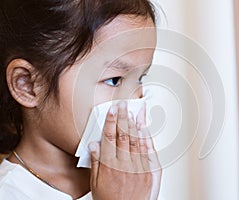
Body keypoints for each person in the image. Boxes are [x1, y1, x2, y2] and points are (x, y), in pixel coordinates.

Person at [0, 0, 162, 199]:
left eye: (139, 78)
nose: (135, 98)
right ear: (28, 85)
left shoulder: (129, 178)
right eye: (114, 80)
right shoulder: (10, 192)